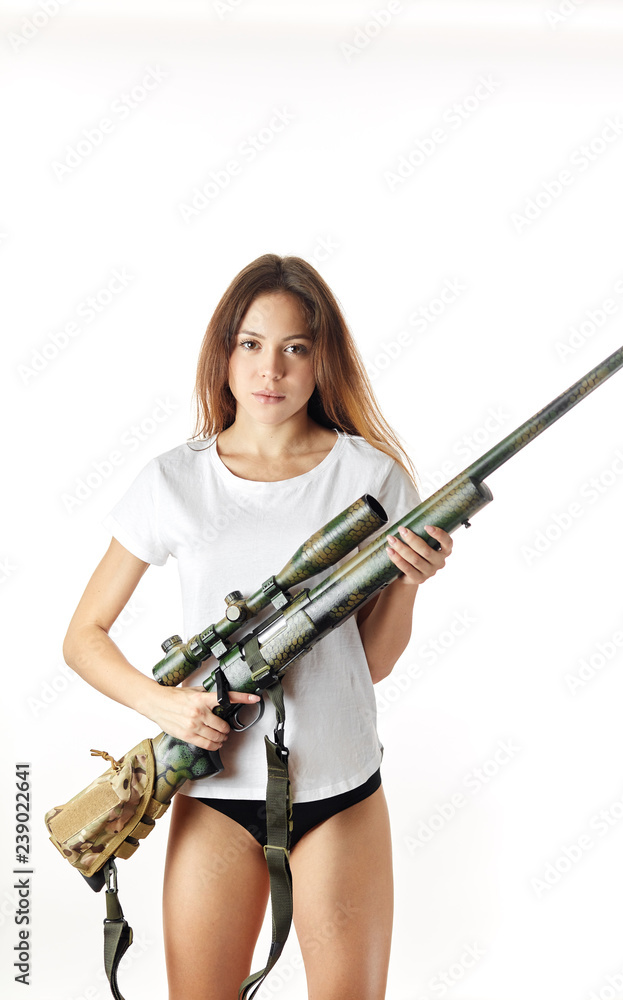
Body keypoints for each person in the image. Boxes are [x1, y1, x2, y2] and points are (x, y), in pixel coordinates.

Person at [63, 253, 453, 1000]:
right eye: (250, 344)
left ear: (321, 360)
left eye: (295, 347)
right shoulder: (174, 479)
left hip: (340, 787)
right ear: (223, 353)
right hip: (213, 791)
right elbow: (83, 636)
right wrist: (168, 705)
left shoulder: (371, 477)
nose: (270, 368)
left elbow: (367, 666)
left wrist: (405, 584)